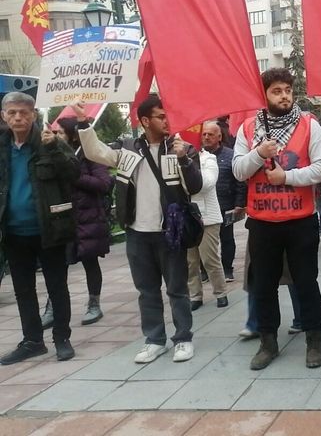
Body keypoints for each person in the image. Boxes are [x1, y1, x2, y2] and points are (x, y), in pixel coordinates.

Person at [73, 95, 201, 364]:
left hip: (170, 233)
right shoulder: (129, 149)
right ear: (145, 120)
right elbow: (96, 152)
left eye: (168, 115)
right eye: (161, 116)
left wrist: (184, 160)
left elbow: (195, 187)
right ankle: (154, 340)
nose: (167, 121)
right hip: (137, 232)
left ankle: (183, 338)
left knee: (177, 289)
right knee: (147, 290)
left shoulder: (181, 148)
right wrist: (83, 123)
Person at [233, 68, 321, 371]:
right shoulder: (248, 128)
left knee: (306, 282)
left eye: (288, 90)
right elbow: (238, 170)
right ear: (263, 95)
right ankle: (268, 342)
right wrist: (258, 153)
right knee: (263, 285)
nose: (285, 96)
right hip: (262, 222)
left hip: (300, 221)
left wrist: (286, 177)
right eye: (277, 91)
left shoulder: (309, 125)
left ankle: (314, 339)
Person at [0, 93, 78, 365]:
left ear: (33, 114)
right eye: (12, 112)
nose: (18, 117)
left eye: (23, 112)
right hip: (13, 231)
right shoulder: (2, 147)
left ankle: (62, 338)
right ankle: (33, 341)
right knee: (23, 290)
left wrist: (55, 148)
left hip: (49, 229)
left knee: (57, 287)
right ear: (3, 116)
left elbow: (74, 173)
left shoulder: (49, 142)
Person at [55, 117, 112, 326]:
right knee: (57, 264)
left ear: (72, 135)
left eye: (60, 132)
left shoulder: (89, 154)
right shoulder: (53, 155)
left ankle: (94, 304)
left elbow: (104, 183)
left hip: (87, 218)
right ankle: (53, 306)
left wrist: (75, 176)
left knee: (90, 262)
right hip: (62, 219)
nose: (56, 136)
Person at [201, 121, 246, 283]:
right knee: (203, 240)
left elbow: (240, 181)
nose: (206, 137)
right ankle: (204, 271)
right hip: (203, 206)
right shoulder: (196, 155)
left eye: (210, 134)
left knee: (227, 238)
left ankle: (227, 269)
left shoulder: (230, 155)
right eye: (204, 134)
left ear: (219, 137)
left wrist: (239, 203)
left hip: (225, 205)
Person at [186, 146, 229, 311]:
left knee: (209, 259)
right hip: (186, 218)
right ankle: (195, 296)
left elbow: (206, 184)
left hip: (207, 218)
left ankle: (220, 292)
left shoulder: (208, 158)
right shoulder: (172, 158)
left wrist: (187, 164)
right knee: (190, 262)